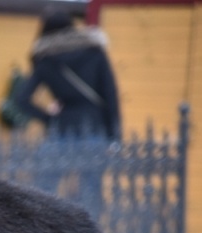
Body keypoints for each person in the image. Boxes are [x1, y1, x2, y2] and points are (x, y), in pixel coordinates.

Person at [8, 12, 121, 142]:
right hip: (95, 125)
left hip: (63, 128)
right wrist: (115, 135)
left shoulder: (45, 60)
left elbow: (22, 98)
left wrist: (49, 119)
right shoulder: (94, 52)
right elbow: (110, 93)